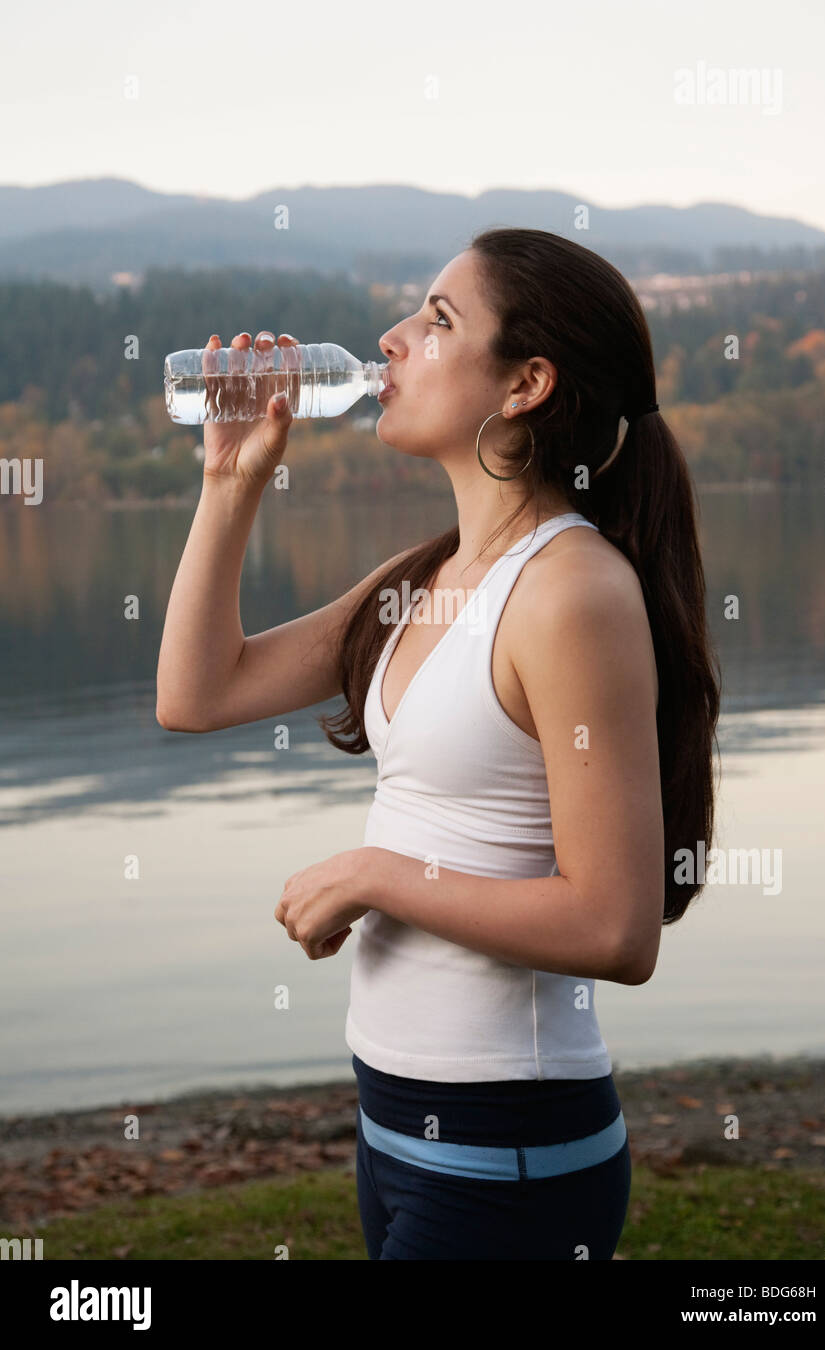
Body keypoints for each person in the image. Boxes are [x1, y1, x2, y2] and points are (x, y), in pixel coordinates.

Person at [156, 226, 721, 1260]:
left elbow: (613, 927)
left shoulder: (569, 591)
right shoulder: (424, 578)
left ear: (526, 383)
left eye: (438, 319)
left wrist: (377, 874)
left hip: (508, 1159)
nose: (392, 337)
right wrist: (229, 484)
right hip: (395, 1128)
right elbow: (197, 692)